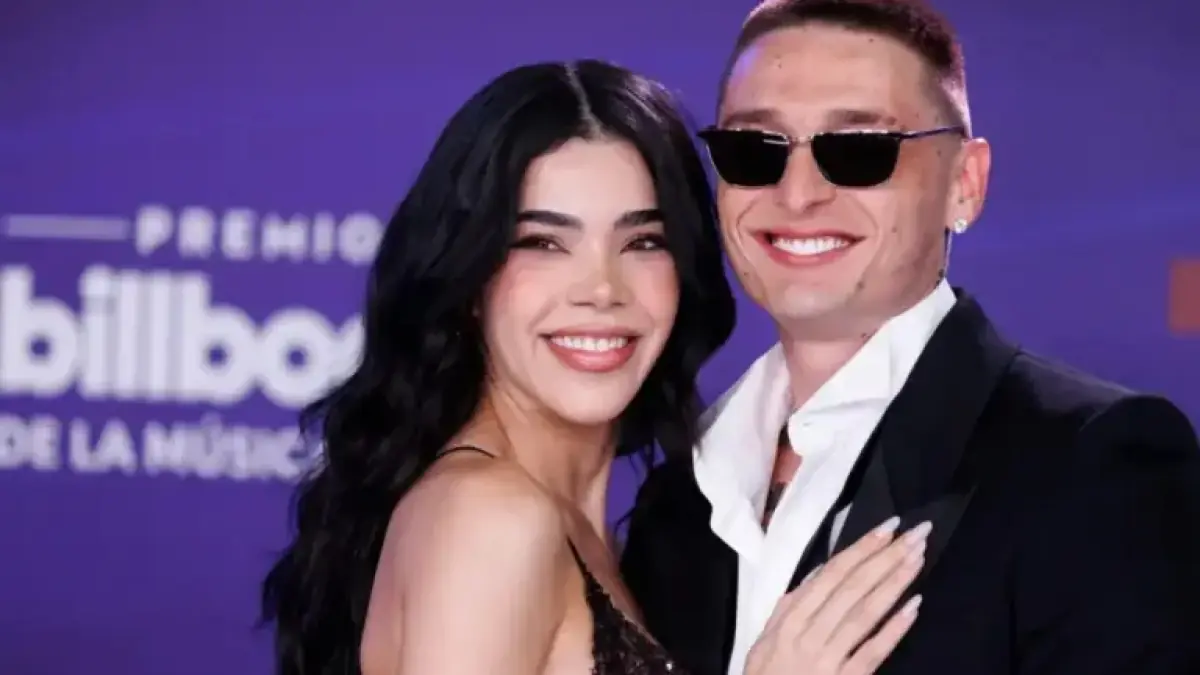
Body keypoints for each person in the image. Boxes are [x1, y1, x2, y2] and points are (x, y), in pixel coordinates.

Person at [260, 59, 928, 675]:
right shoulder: (490, 518)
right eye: (544, 242)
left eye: (643, 241)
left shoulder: (592, 529)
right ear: (470, 278)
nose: (602, 289)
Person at [620, 1, 1200, 674]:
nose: (798, 193)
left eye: (860, 151)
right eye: (755, 150)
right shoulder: (680, 500)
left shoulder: (1092, 465)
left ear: (965, 184)